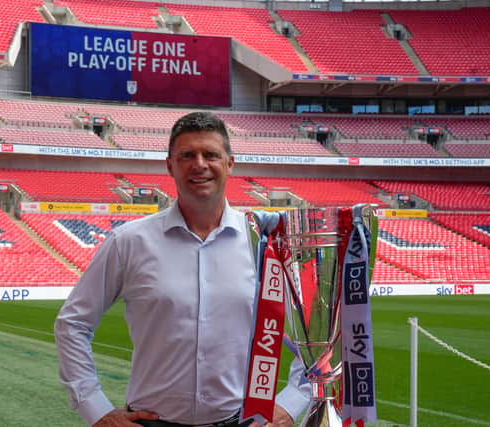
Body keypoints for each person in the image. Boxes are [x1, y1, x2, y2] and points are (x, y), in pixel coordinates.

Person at [54, 112, 310, 427]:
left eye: (211, 155)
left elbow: (312, 340)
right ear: (170, 166)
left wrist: (288, 404)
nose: (199, 164)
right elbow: (72, 324)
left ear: (230, 164)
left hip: (242, 421)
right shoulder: (130, 241)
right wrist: (97, 410)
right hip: (152, 421)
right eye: (187, 155)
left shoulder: (266, 244)